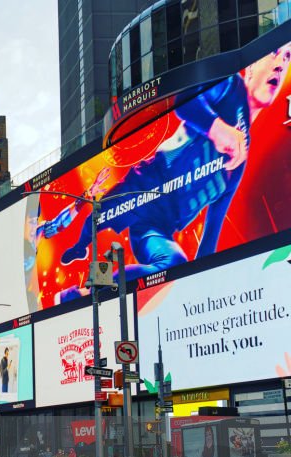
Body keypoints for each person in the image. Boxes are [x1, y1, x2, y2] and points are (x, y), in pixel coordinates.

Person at [46, 44, 291, 294]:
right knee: (93, 224)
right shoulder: (230, 86)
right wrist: (216, 128)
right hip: (138, 190)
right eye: (274, 52)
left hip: (157, 228)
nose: (281, 63)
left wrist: (203, 289)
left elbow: (211, 233)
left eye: (288, 56)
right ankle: (79, 247)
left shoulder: (240, 160)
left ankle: (88, 293)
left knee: (174, 265)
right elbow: (184, 102)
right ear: (250, 68)